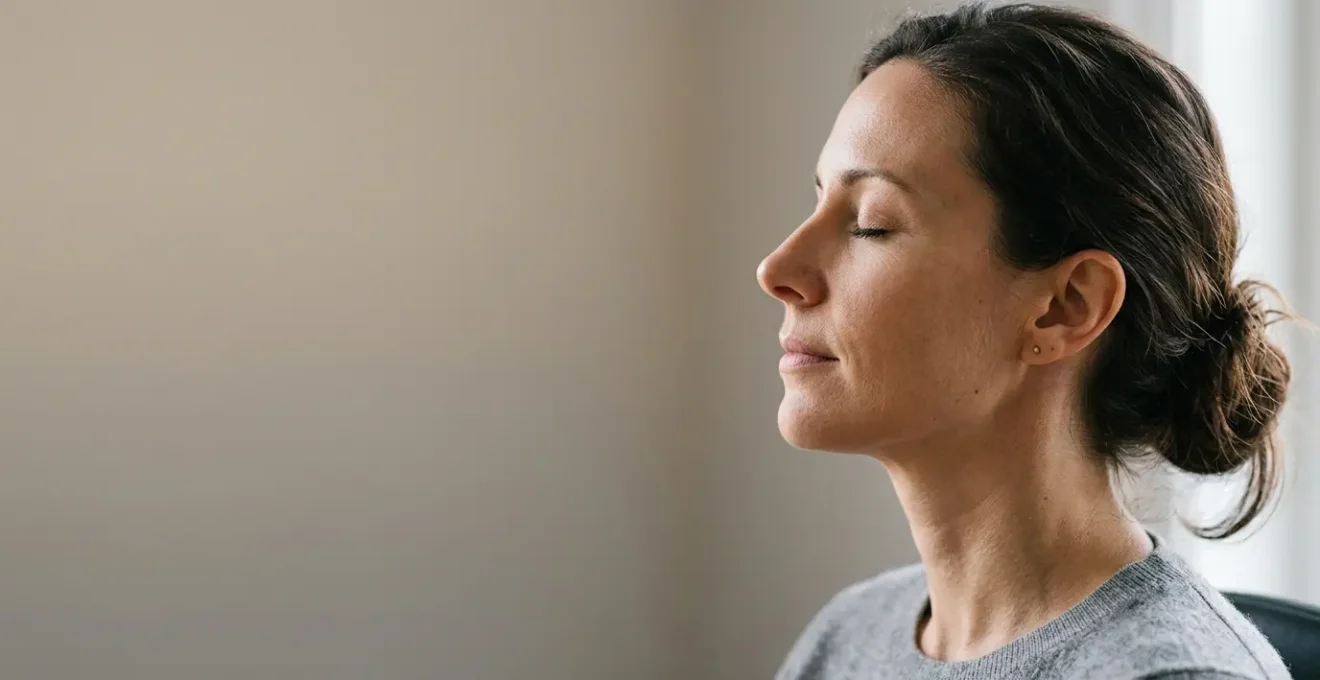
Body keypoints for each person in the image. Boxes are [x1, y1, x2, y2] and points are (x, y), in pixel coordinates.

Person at [756, 3, 1294, 679]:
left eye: (871, 223)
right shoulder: (847, 638)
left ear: (1064, 308)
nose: (777, 270)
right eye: (818, 203)